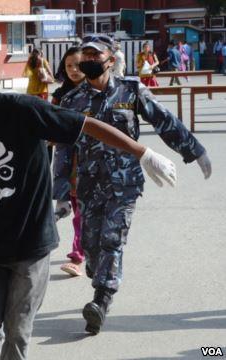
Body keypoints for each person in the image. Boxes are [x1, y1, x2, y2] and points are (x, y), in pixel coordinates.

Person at [0, 36, 181, 359]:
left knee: (17, 331)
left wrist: (142, 152)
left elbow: (86, 125)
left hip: (30, 245)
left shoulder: (23, 110)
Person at [56, 34, 212, 335]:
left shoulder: (131, 90)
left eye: (94, 55)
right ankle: (98, 274)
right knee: (91, 245)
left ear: (110, 60)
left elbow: (164, 120)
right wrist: (61, 191)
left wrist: (194, 150)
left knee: (113, 239)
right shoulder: (71, 100)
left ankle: (101, 300)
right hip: (89, 184)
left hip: (124, 184)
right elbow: (63, 147)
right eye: (85, 55)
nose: (88, 60)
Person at [51, 46, 86, 276]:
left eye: (77, 65)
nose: (73, 70)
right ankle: (80, 251)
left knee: (83, 212)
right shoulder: (59, 95)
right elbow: (48, 125)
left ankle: (79, 254)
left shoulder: (98, 93)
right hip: (66, 163)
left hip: (92, 162)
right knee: (76, 210)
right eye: (68, 66)